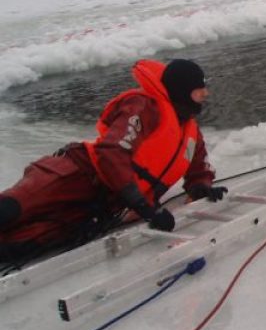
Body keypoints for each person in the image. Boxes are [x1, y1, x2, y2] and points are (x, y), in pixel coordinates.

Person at [0, 58, 228, 265]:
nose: (205, 95)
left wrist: (201, 185)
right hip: (76, 174)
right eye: (200, 91)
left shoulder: (190, 132)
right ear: (183, 91)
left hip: (104, 203)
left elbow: (198, 167)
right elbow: (112, 153)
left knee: (22, 246)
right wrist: (142, 205)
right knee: (10, 210)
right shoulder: (144, 107)